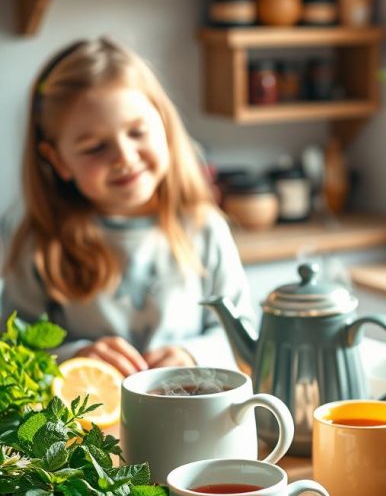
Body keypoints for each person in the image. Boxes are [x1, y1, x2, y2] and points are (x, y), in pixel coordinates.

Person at [1, 37, 254, 374]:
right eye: (94, 147)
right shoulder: (41, 242)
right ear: (58, 160)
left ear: (163, 123)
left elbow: (246, 336)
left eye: (137, 132)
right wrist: (74, 357)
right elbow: (12, 351)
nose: (124, 157)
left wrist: (192, 355)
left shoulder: (203, 228)